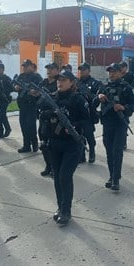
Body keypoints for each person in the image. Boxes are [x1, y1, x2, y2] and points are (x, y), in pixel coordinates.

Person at [40, 70, 89, 225]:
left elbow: (90, 120)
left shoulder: (78, 99)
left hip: (72, 144)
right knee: (56, 176)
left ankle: (66, 211)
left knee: (64, 176)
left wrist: (74, 125)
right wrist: (49, 113)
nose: (59, 82)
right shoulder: (51, 98)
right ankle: (60, 207)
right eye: (58, 80)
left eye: (63, 80)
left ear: (72, 82)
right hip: (54, 143)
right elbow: (40, 111)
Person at [97, 63, 134, 191]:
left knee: (117, 151)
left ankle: (115, 179)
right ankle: (111, 176)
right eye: (110, 72)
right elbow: (93, 101)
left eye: (114, 71)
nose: (111, 74)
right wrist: (99, 97)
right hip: (107, 123)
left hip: (120, 123)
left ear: (121, 72)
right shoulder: (104, 87)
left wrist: (123, 107)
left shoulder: (126, 88)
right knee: (109, 151)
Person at [14, 59, 42, 153]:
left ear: (31, 66)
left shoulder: (36, 77)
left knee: (31, 125)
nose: (25, 68)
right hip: (22, 105)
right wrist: (16, 87)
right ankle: (26, 145)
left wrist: (34, 91)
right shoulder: (21, 76)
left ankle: (34, 144)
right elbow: (15, 85)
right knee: (23, 125)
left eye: (26, 66)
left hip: (31, 104)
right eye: (24, 66)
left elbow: (41, 89)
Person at [77, 62, 102, 163]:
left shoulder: (94, 83)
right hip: (78, 113)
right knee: (79, 135)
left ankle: (92, 152)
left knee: (89, 135)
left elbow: (97, 99)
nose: (82, 72)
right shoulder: (76, 82)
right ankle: (81, 155)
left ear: (88, 70)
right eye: (80, 70)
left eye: (84, 70)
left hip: (89, 113)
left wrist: (89, 97)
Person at [37, 62, 59, 176]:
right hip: (43, 116)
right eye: (48, 69)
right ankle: (48, 165)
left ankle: (55, 168)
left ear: (57, 70)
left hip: (53, 117)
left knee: (53, 144)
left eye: (51, 69)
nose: (49, 71)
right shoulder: (43, 82)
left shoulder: (59, 83)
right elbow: (37, 94)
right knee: (43, 142)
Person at [0, 63, 13, 138]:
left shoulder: (6, 78)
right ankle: (0, 131)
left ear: (3, 69)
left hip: (4, 99)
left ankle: (7, 128)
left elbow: (12, 88)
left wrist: (5, 91)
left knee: (2, 115)